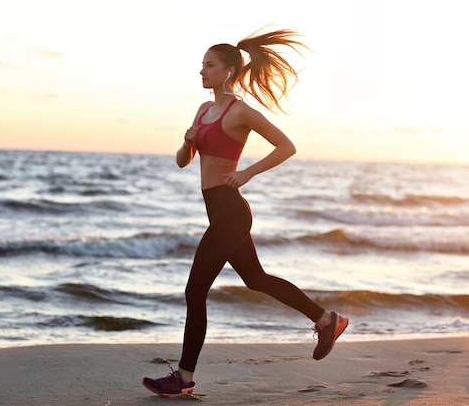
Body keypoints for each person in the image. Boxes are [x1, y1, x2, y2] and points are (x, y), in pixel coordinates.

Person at [142, 28, 349, 398]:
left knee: (195, 290)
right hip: (216, 210)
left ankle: (184, 378)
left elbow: (287, 146)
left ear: (228, 71)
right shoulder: (204, 110)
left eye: (209, 65)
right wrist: (187, 142)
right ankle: (326, 319)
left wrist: (248, 172)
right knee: (256, 278)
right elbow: (181, 163)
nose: (201, 71)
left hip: (232, 211)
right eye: (201, 65)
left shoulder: (242, 111)